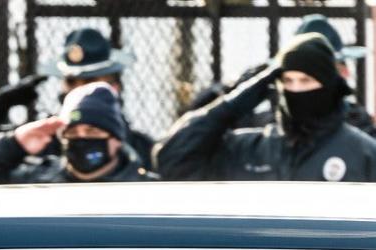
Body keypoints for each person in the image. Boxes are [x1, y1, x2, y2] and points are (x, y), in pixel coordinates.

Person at [155, 33, 376, 182]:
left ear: (328, 85)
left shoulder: (363, 153)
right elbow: (172, 159)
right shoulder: (249, 149)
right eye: (288, 81)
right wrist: (235, 103)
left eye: (306, 80)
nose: (296, 90)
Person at [0, 27, 154, 166]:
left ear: (114, 88)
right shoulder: (39, 142)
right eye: (71, 82)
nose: (78, 92)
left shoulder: (140, 148)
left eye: (90, 82)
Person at [0, 82, 155, 186]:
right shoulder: (37, 181)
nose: (81, 138)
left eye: (92, 131)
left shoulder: (145, 190)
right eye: (72, 132)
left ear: (116, 139)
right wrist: (13, 145)